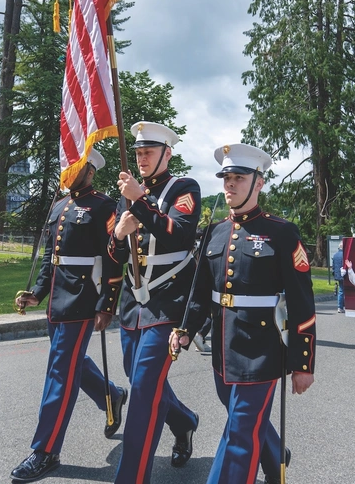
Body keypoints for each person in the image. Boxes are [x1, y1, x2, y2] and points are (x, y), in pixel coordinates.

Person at [171, 142, 316, 484]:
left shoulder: (282, 232)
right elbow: (199, 292)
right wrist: (186, 329)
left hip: (262, 351)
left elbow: (301, 301)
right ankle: (276, 457)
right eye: (226, 178)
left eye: (238, 177)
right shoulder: (215, 232)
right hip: (224, 349)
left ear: (259, 183)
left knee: (238, 434)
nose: (230, 184)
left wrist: (303, 363)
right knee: (244, 419)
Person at [11, 149, 126, 483]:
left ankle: (45, 451)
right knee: (69, 362)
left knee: (60, 372)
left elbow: (114, 258)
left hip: (82, 299)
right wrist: (37, 292)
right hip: (56, 302)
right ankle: (113, 394)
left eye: (76, 165)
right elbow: (51, 257)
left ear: (90, 170)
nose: (68, 170)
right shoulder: (59, 206)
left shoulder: (105, 206)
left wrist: (108, 303)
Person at [108, 121, 202, 482]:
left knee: (145, 389)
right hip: (134, 303)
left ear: (167, 153)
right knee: (139, 376)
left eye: (149, 152)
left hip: (168, 301)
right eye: (138, 153)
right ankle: (185, 421)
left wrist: (140, 201)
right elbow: (115, 254)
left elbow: (179, 235)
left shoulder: (184, 189)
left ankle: (130, 477)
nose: (142, 158)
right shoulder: (128, 193)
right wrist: (118, 233)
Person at [332, 241, 346, 313]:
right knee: (343, 291)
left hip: (338, 275)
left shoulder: (335, 255)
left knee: (341, 291)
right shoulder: (345, 255)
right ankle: (341, 306)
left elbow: (333, 266)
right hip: (345, 275)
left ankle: (340, 307)